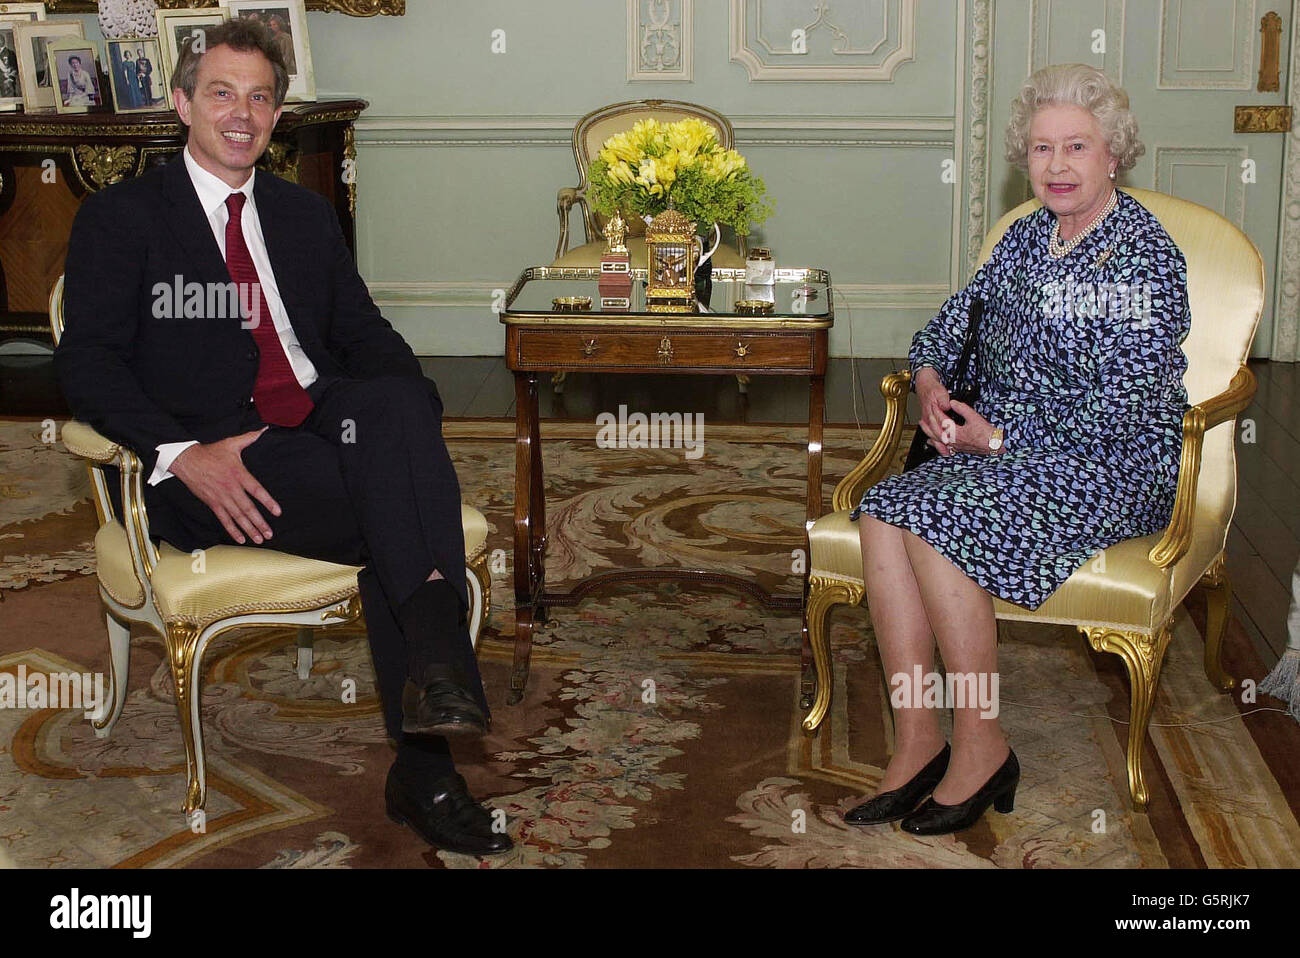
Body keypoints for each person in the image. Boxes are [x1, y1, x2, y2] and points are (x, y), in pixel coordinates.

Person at [54, 20, 511, 857]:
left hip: (318, 425)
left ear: (276, 115)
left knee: (398, 405)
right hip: (213, 463)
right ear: (184, 102)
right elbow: (87, 365)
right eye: (222, 93)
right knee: (397, 501)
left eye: (260, 97)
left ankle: (428, 724)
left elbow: (366, 335)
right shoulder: (123, 219)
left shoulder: (302, 215)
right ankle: (429, 751)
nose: (242, 113)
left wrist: (409, 404)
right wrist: (181, 456)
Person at [843, 63, 1189, 835]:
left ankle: (982, 741)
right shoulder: (1026, 238)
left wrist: (995, 439)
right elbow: (941, 332)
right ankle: (918, 737)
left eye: (1075, 147)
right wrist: (932, 390)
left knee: (939, 519)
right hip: (1005, 451)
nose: (1056, 166)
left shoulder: (1143, 256)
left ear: (1114, 155)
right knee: (882, 509)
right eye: (1040, 149)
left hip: (1110, 464)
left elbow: (1124, 410)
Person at [0, 35, 19, 99]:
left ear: (2, 41)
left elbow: (16, 68)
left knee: (10, 102)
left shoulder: (10, 53)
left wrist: (10, 76)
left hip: (7, 82)